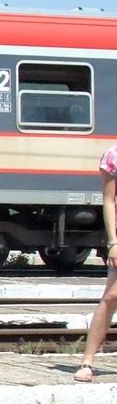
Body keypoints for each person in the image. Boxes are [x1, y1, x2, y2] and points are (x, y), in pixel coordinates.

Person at [74, 143, 117, 382]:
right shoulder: (113, 156)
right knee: (111, 297)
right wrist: (113, 242)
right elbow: (109, 200)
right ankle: (87, 361)